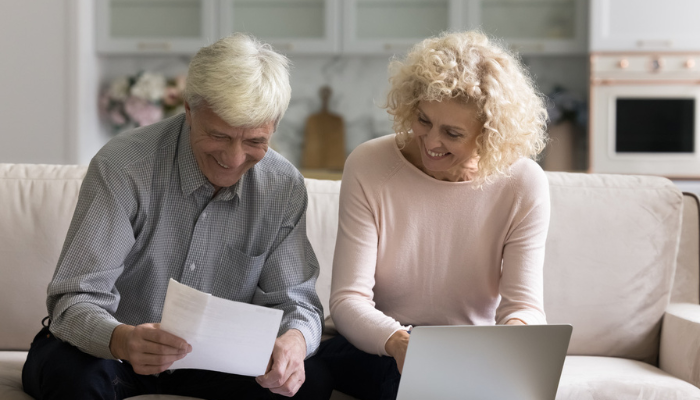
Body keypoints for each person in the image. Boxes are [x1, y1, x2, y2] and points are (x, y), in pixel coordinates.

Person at [22, 34, 331, 400]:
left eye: (254, 142)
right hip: (115, 354)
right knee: (72, 376)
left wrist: (294, 342)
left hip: (221, 365)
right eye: (218, 135)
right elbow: (74, 298)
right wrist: (121, 339)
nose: (233, 159)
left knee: (310, 382)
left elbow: (298, 303)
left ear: (274, 127)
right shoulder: (124, 167)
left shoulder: (282, 187)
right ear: (188, 109)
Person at [317, 31, 550, 400]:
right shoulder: (370, 165)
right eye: (424, 120)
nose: (430, 141)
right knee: (410, 380)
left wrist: (513, 340)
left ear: (490, 137)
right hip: (379, 344)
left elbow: (523, 307)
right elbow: (348, 300)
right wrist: (399, 342)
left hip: (467, 350)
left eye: (452, 133)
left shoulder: (522, 183)